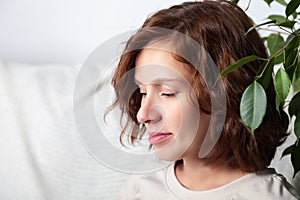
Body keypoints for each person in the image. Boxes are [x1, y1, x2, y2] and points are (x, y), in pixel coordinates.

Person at [109, 0, 300, 199]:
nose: (143, 115)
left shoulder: (269, 196)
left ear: (226, 94)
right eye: (142, 92)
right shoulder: (139, 190)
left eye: (166, 92)